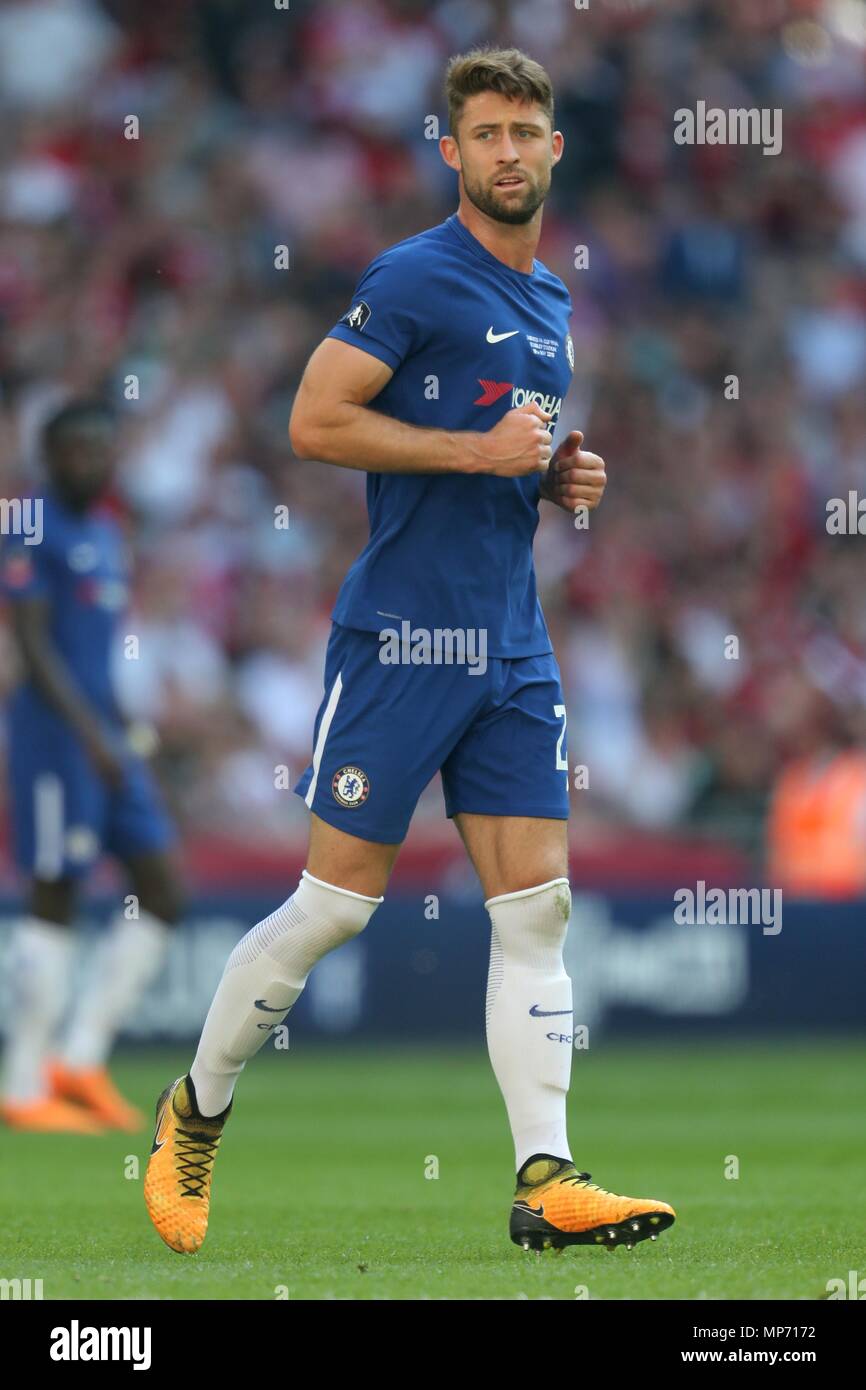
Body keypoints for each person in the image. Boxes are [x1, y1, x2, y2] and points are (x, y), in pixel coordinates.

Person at [144, 46, 675, 1255]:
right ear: (450, 150)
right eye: (481, 133)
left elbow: (503, 448)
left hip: (510, 641)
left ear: (550, 148)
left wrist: (553, 476)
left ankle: (543, 1175)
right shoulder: (415, 275)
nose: (503, 152)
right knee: (333, 904)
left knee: (536, 909)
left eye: (521, 133)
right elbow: (313, 418)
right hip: (400, 638)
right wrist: (480, 457)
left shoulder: (549, 300)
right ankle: (194, 1110)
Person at [0, 399, 183, 1134]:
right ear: (49, 454)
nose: (88, 461)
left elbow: (97, 648)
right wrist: (90, 733)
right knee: (56, 895)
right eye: (73, 450)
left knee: (165, 887)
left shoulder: (108, 530)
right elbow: (34, 647)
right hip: (54, 740)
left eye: (99, 449)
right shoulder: (27, 522)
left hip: (105, 733)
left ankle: (79, 1058)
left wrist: (125, 724)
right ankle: (20, 1082)